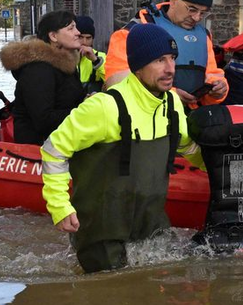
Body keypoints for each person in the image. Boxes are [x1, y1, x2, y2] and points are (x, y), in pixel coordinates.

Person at [42, 22, 204, 273]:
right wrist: (60, 207)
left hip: (150, 227)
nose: (170, 68)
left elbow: (190, 148)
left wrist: (224, 173)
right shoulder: (105, 107)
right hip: (102, 234)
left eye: (172, 58)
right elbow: (54, 149)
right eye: (160, 60)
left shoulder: (172, 103)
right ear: (138, 67)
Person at [103, 0, 228, 108]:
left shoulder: (203, 36)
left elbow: (212, 74)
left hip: (191, 120)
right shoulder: (133, 31)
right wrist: (171, 95)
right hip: (148, 120)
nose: (197, 17)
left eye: (203, 13)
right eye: (192, 9)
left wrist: (218, 89)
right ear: (173, 0)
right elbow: (117, 83)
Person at [0, 10, 85, 145]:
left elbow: (67, 100)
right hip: (39, 152)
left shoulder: (66, 65)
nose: (78, 32)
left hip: (63, 144)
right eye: (71, 28)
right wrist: (85, 111)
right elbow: (43, 120)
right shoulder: (38, 70)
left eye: (76, 27)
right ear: (53, 36)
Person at [75, 14, 106, 96]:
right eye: (81, 37)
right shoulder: (66, 56)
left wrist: (96, 61)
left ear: (92, 39)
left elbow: (112, 80)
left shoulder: (101, 56)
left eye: (88, 38)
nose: (84, 42)